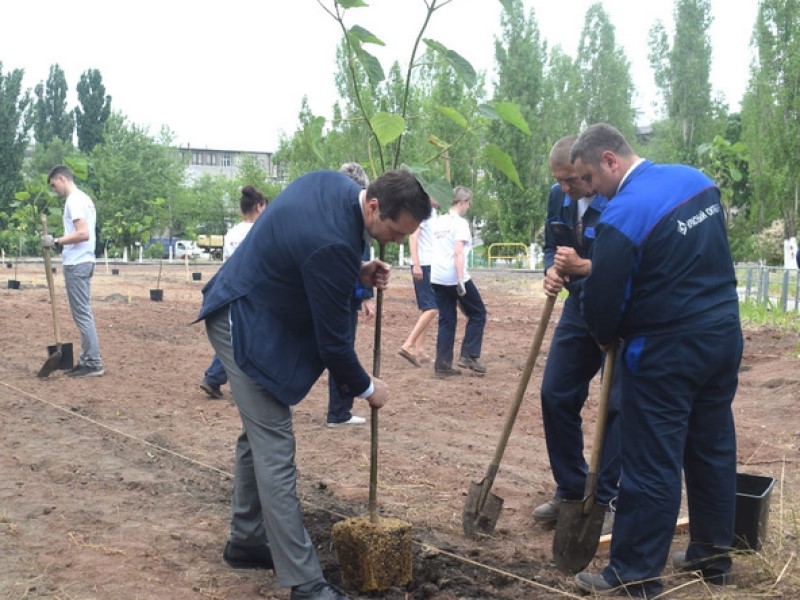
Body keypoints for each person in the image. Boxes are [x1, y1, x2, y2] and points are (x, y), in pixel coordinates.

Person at [196, 168, 430, 600]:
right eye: (396, 232)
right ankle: (305, 583)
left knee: (258, 435)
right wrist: (367, 388)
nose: (397, 242)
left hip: (256, 307)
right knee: (275, 447)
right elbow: (334, 346)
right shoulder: (332, 244)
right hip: (241, 321)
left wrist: (357, 270)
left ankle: (246, 541)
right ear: (374, 205)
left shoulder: (336, 186)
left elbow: (306, 250)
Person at [569, 123, 742, 598]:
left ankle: (634, 575)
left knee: (651, 462)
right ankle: (713, 556)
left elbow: (604, 299)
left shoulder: (624, 214)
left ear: (610, 160)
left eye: (589, 178)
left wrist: (604, 335)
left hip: (666, 350)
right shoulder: (696, 181)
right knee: (711, 448)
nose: (589, 190)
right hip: (722, 335)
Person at [533, 136, 620, 532]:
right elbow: (551, 246)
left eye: (572, 179)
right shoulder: (559, 196)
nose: (566, 188)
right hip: (577, 306)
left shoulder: (616, 196)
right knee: (555, 392)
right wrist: (551, 270)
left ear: (587, 169)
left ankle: (607, 498)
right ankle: (571, 489)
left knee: (616, 404)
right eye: (559, 181)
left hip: (616, 308)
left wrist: (585, 265)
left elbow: (627, 259)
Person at [199, 185, 268, 399]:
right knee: (252, 337)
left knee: (236, 336)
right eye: (265, 207)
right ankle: (217, 378)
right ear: (259, 206)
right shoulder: (262, 230)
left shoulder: (231, 233)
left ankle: (214, 378)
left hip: (231, 290)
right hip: (255, 291)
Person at [41, 165, 104, 378]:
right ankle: (87, 359)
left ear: (61, 178)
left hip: (77, 263)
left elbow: (83, 233)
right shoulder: (85, 199)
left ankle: (93, 363)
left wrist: (56, 241)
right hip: (84, 261)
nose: (54, 190)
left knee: (82, 314)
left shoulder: (74, 200)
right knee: (83, 312)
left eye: (54, 185)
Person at [326, 162, 375, 427]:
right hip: (342, 294)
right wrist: (365, 295)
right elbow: (360, 258)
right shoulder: (356, 215)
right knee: (341, 349)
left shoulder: (326, 210)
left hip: (320, 291)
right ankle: (339, 412)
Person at [429, 186, 487, 376]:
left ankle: (442, 365)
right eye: (468, 203)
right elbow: (458, 252)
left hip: (437, 276)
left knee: (447, 320)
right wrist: (461, 280)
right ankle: (468, 354)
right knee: (478, 312)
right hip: (454, 276)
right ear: (462, 202)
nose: (468, 207)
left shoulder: (439, 221)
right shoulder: (460, 224)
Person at [398, 198, 439, 368]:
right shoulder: (424, 212)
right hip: (424, 264)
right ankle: (408, 345)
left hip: (430, 264)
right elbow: (413, 236)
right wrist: (416, 264)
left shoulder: (434, 213)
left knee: (428, 308)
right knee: (432, 308)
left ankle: (420, 350)